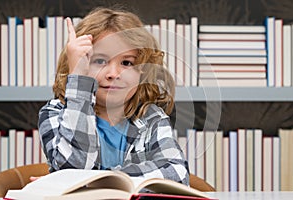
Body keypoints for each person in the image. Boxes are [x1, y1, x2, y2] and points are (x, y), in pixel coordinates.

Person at [38, 7, 189, 185]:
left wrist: (102, 179)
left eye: (126, 62)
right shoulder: (54, 113)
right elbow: (72, 168)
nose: (113, 73)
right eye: (99, 61)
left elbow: (176, 173)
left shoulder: (152, 117)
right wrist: (79, 81)